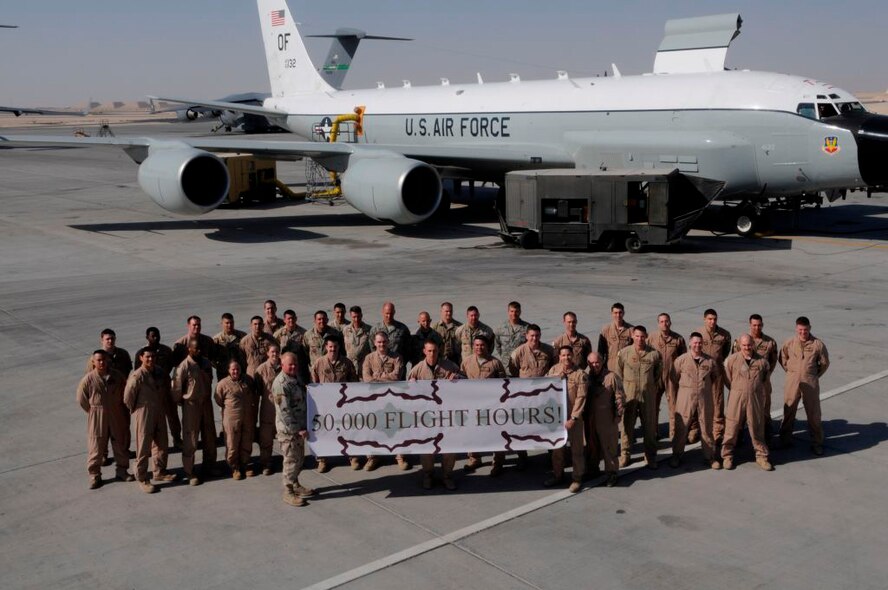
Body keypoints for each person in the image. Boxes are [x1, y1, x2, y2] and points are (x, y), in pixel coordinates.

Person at [409, 339, 463, 490]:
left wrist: (457, 378)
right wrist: (411, 385)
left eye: (435, 351)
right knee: (426, 448)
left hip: (446, 414)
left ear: (439, 351)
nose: (432, 354)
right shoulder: (417, 369)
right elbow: (407, 393)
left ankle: (447, 476)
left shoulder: (449, 366)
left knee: (449, 447)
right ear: (424, 351)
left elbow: (466, 382)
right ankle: (428, 475)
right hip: (426, 416)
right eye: (429, 351)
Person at [77, 350, 132, 488]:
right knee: (95, 446)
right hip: (97, 414)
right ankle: (95, 475)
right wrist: (93, 411)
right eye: (99, 360)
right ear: (93, 362)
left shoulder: (117, 376)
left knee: (120, 443)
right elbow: (81, 399)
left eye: (104, 360)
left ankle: (122, 471)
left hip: (116, 413)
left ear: (108, 360)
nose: (102, 363)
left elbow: (126, 393)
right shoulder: (88, 379)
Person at [124, 349, 176, 493]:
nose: (150, 359)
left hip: (159, 410)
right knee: (143, 446)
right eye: (147, 357)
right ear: (141, 358)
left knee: (162, 442)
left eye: (152, 356)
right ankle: (142, 477)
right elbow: (128, 398)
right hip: (144, 412)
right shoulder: (137, 376)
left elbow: (166, 385)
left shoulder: (159, 371)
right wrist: (137, 410)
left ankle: (159, 471)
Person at [778, 316, 830, 455]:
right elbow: (783, 359)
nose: (803, 332)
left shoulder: (818, 345)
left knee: (813, 413)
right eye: (800, 330)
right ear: (796, 328)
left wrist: (813, 375)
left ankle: (817, 443)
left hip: (810, 383)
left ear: (810, 328)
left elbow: (824, 364)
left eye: (805, 330)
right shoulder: (789, 343)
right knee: (789, 410)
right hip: (792, 381)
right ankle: (785, 440)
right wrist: (792, 373)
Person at [668, 332, 720, 470]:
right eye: (695, 342)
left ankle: (710, 457)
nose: (697, 345)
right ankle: (676, 455)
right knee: (681, 427)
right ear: (690, 343)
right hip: (685, 397)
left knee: (706, 427)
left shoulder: (710, 361)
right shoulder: (681, 360)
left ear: (702, 344)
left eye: (700, 343)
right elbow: (673, 377)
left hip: (704, 397)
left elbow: (714, 377)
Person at [722, 334, 773, 471]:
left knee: (757, 425)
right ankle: (727, 456)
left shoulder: (762, 362)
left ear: (753, 345)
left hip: (754, 398)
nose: (747, 348)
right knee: (732, 426)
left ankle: (761, 456)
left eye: (749, 345)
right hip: (736, 397)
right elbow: (727, 380)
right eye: (744, 345)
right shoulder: (731, 360)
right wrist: (738, 389)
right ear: (739, 345)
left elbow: (765, 381)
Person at [615, 325, 663, 469]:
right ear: (632, 336)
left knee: (649, 427)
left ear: (646, 336)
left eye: (642, 336)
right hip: (629, 396)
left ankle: (650, 456)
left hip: (647, 396)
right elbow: (618, 375)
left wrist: (648, 386)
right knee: (626, 427)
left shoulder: (654, 354)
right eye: (637, 336)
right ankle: (625, 455)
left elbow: (657, 374)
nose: (639, 339)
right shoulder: (624, 353)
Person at [272, 352, 315, 507]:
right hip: (289, 431)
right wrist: (297, 429)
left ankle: (296, 484)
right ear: (282, 365)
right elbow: (285, 412)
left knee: (299, 458)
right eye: (290, 364)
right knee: (291, 460)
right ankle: (288, 492)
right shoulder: (281, 384)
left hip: (299, 427)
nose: (293, 366)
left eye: (295, 364)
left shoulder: (294, 378)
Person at [461, 335, 508, 476]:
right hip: (472, 405)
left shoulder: (495, 363)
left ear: (487, 346)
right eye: (476, 345)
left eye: (482, 345)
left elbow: (503, 384)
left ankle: (498, 462)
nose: (479, 348)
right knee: (472, 433)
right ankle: (474, 458)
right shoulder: (467, 362)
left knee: (495, 434)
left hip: (491, 406)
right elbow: (461, 381)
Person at [362, 331, 409, 471]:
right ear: (375, 343)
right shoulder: (369, 358)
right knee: (373, 427)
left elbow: (396, 376)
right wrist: (384, 377)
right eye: (379, 342)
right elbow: (366, 378)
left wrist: (377, 376)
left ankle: (400, 456)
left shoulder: (397, 358)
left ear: (388, 342)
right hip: (374, 399)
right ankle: (373, 457)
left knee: (397, 427)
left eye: (384, 341)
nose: (381, 344)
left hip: (393, 398)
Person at [310, 335, 358, 472]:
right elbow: (314, 383)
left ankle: (353, 457)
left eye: (335, 347)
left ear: (339, 347)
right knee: (323, 431)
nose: (333, 349)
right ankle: (322, 460)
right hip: (325, 405)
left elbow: (354, 382)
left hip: (343, 404)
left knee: (348, 429)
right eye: (330, 347)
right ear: (326, 347)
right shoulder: (319, 363)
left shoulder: (347, 363)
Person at [171, 337, 214, 485]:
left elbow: (210, 379)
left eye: (201, 348)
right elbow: (176, 388)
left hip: (206, 404)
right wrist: (181, 402)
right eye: (196, 348)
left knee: (209, 436)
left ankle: (209, 466)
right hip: (191, 405)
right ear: (189, 349)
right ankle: (190, 472)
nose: (199, 351)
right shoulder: (183, 366)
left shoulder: (206, 363)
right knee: (191, 438)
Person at [86, 328, 133, 458]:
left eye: (112, 338)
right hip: (103, 400)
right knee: (103, 429)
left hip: (120, 397)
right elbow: (89, 379)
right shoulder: (95, 358)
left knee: (123, 425)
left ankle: (124, 450)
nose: (110, 341)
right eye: (107, 339)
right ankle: (104, 454)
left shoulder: (123, 354)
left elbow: (128, 370)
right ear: (102, 340)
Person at [545, 346, 587, 492]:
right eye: (563, 355)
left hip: (574, 419)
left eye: (569, 355)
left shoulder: (580, 374)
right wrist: (555, 377)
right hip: (557, 418)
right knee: (557, 450)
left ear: (573, 356)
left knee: (577, 450)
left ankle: (577, 478)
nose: (566, 358)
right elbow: (544, 386)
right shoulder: (553, 370)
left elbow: (581, 398)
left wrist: (573, 418)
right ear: (559, 357)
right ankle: (558, 475)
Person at [732, 314, 778, 439]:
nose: (756, 328)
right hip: (743, 383)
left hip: (762, 383)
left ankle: (766, 436)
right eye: (754, 325)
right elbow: (734, 360)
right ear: (750, 325)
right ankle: (739, 436)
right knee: (740, 411)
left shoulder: (770, 342)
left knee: (764, 410)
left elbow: (772, 362)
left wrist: (765, 376)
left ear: (762, 325)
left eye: (759, 325)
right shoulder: (740, 341)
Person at [135, 327, 180, 448]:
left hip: (165, 387)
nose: (156, 338)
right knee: (150, 419)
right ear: (147, 337)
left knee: (172, 415)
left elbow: (172, 365)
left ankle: (177, 438)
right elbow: (137, 373)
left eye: (157, 335)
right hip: (149, 392)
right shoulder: (141, 353)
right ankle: (150, 444)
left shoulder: (166, 350)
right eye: (153, 336)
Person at [215, 360, 258, 479]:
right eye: (233, 369)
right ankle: (235, 467)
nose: (236, 371)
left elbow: (253, 393)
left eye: (238, 369)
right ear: (228, 370)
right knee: (232, 443)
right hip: (232, 419)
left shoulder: (248, 380)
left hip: (247, 417)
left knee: (246, 441)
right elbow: (218, 400)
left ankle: (244, 464)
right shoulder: (223, 384)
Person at [586, 352, 624, 487]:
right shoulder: (587, 377)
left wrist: (618, 415)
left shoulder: (611, 377)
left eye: (597, 362)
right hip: (590, 418)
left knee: (609, 447)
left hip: (606, 418)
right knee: (592, 447)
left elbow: (619, 396)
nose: (594, 365)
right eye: (591, 363)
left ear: (602, 362)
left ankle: (612, 473)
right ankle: (593, 470)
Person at [694, 308, 731, 446]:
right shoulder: (698, 334)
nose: (712, 321)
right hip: (702, 372)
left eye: (714, 319)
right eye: (709, 319)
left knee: (718, 401)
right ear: (704, 319)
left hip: (717, 373)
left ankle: (718, 431)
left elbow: (726, 351)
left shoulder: (724, 335)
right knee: (699, 400)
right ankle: (697, 428)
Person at [649, 313, 687, 439]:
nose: (664, 324)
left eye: (666, 321)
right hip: (655, 377)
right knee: (653, 406)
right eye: (661, 321)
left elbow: (684, 358)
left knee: (674, 406)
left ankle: (673, 433)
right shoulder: (651, 338)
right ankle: (653, 433)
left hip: (672, 378)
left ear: (670, 323)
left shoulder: (678, 339)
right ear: (658, 323)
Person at [255, 343, 282, 476]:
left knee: (285, 436)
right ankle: (266, 463)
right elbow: (258, 391)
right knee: (266, 437)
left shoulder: (285, 366)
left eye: (277, 351)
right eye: (272, 352)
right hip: (268, 407)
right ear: (267, 353)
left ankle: (288, 461)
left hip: (283, 408)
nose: (275, 354)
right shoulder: (261, 370)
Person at [494, 301, 529, 371]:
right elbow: (497, 345)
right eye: (512, 311)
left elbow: (530, 345)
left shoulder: (527, 328)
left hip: (522, 366)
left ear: (520, 312)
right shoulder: (500, 328)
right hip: (506, 366)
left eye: (516, 311)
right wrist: (505, 356)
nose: (514, 314)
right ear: (508, 312)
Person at [598, 303, 633, 372]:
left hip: (626, 368)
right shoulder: (605, 330)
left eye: (620, 312)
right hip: (610, 368)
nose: (618, 315)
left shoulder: (631, 330)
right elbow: (600, 352)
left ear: (623, 313)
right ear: (612, 313)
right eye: (615, 313)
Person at [212, 313, 246, 382]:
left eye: (231, 322)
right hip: (223, 373)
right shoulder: (216, 340)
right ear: (222, 324)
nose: (229, 325)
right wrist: (220, 367)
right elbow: (212, 359)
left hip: (240, 371)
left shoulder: (242, 336)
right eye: (227, 323)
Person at [342, 305, 372, 372]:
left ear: (361, 315)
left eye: (358, 316)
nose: (356, 319)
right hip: (349, 366)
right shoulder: (345, 330)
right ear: (350, 316)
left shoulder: (369, 330)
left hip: (364, 366)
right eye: (354, 317)